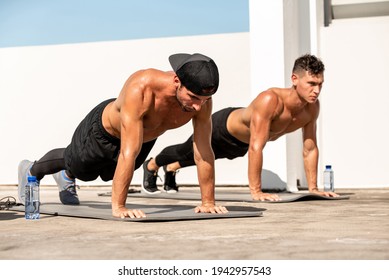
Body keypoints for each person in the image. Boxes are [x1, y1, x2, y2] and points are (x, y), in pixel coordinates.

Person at [18, 53, 228, 218]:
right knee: (82, 168)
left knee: (111, 174)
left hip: (142, 138)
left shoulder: (202, 102)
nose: (198, 105)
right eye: (193, 97)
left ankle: (66, 175)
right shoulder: (142, 87)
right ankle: (33, 169)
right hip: (104, 131)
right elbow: (128, 152)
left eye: (204, 99)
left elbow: (203, 152)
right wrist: (119, 207)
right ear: (176, 81)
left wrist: (208, 202)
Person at [143, 54, 339, 201]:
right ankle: (152, 165)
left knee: (201, 159)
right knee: (187, 151)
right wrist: (256, 191)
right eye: (311, 83)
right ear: (294, 79)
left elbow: (310, 148)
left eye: (320, 84)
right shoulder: (271, 100)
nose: (316, 90)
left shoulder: (312, 109)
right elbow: (256, 147)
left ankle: (171, 169)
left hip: (240, 144)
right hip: (223, 128)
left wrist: (313, 188)